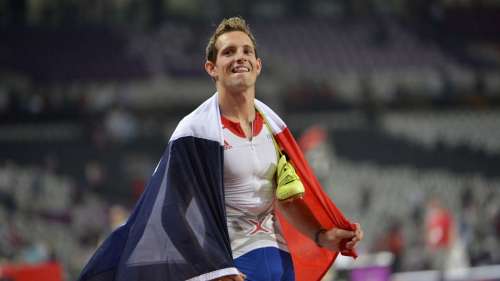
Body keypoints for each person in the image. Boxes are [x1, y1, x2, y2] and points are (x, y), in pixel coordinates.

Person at [77, 17, 363, 281]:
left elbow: (284, 200)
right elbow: (169, 214)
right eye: (229, 52)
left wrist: (321, 235)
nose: (240, 57)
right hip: (234, 265)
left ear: (258, 65)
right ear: (211, 68)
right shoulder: (194, 133)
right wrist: (215, 269)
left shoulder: (274, 129)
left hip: (280, 262)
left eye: (247, 51)